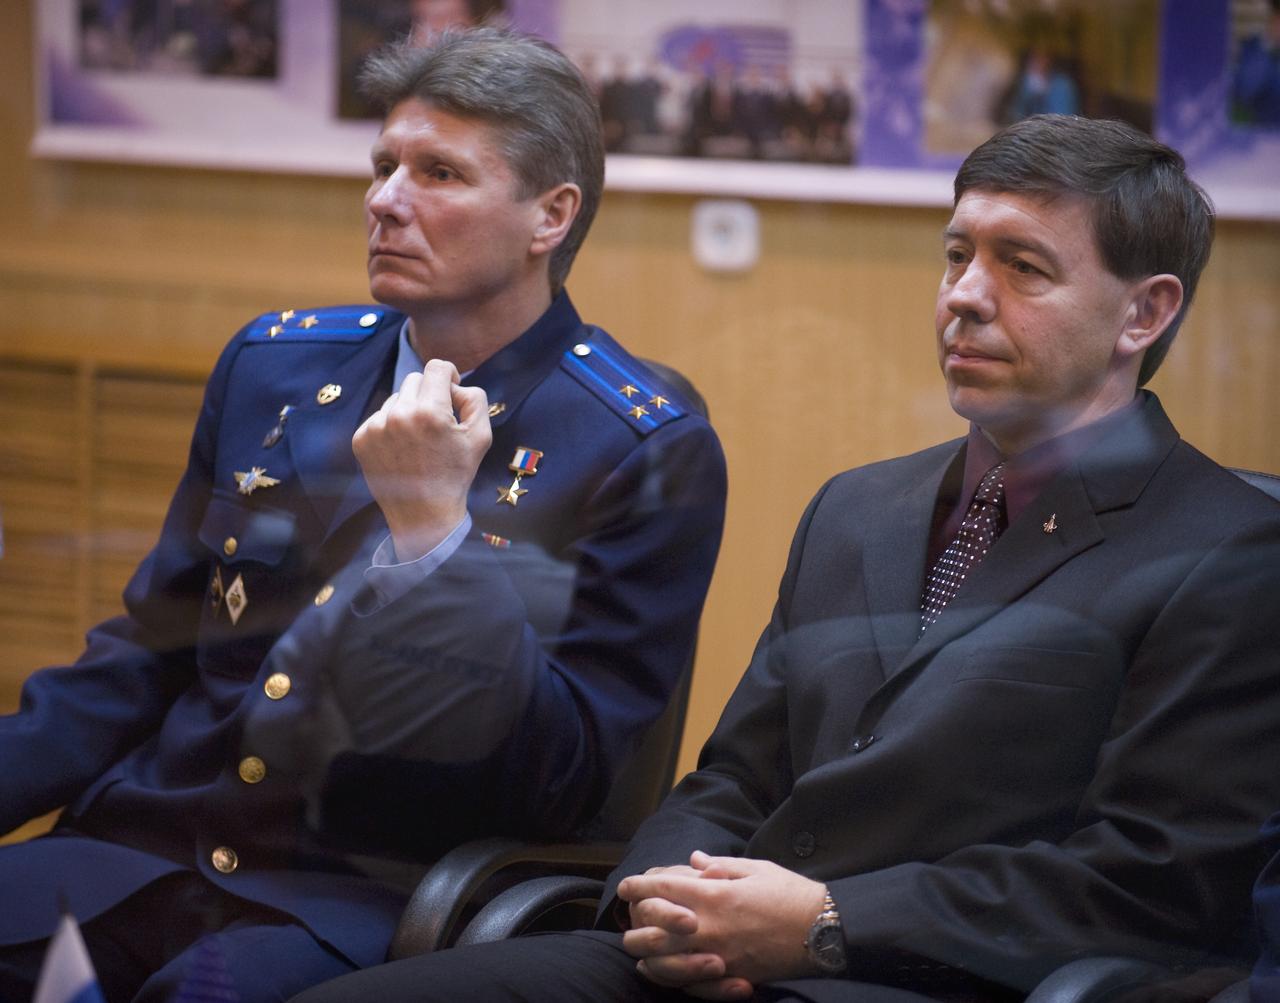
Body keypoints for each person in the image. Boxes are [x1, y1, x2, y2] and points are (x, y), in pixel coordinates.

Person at [292, 114, 1280, 1003]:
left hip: (932, 979)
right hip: (706, 964)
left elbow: (1151, 884)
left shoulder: (1226, 545)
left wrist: (822, 925)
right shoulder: (858, 505)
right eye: (955, 255)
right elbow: (730, 778)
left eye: (1021, 267)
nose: (962, 298)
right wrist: (666, 903)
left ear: (1141, 314)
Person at [0, 27, 726, 1003]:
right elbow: (149, 650)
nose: (384, 200)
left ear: (549, 216)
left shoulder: (638, 445)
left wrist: (435, 540)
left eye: (438, 173)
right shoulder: (274, 367)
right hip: (139, 851)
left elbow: (562, 779)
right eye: (383, 164)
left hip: (347, 901)